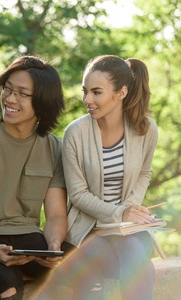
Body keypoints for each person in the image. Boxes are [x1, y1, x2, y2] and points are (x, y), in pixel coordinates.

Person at [0, 55, 74, 300]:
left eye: (21, 93)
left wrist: (53, 246)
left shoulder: (54, 148)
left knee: (88, 268)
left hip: (27, 237)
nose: (9, 98)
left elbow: (56, 214)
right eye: (7, 89)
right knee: (9, 285)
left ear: (42, 101)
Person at [40, 55, 158, 299]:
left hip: (128, 231)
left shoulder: (146, 129)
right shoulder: (75, 133)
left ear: (121, 93)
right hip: (88, 230)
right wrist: (118, 214)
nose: (87, 100)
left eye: (96, 92)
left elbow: (144, 174)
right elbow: (78, 194)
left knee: (134, 252)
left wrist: (128, 211)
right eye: (85, 92)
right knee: (111, 263)